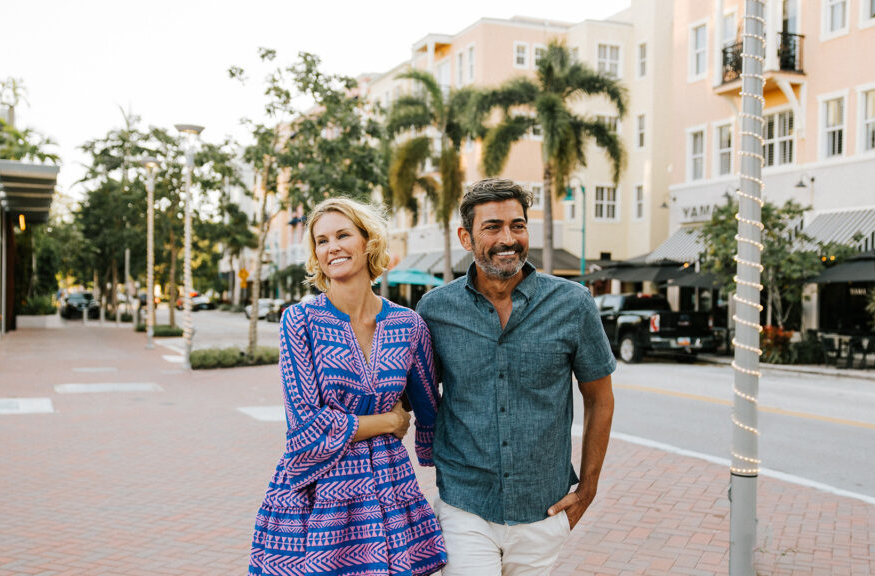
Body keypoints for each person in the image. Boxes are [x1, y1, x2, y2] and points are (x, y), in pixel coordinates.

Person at [416, 178, 616, 576]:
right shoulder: (434, 311)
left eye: (517, 225)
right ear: (466, 237)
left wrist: (588, 489)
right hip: (465, 505)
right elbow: (418, 396)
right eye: (492, 227)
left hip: (543, 510)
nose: (508, 238)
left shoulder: (572, 304)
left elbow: (599, 397)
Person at [248, 198, 446, 576]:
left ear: (368, 241)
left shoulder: (409, 326)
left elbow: (433, 417)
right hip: (318, 495)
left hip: (391, 492)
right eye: (321, 241)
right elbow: (306, 427)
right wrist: (388, 422)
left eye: (342, 235)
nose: (331, 247)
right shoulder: (300, 321)